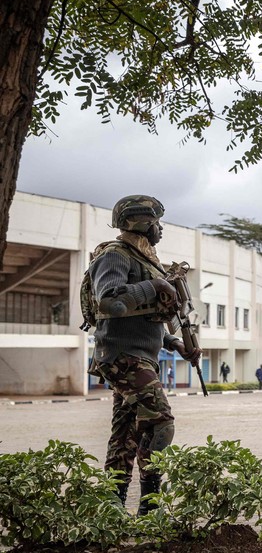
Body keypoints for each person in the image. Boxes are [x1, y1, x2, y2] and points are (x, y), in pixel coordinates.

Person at [87, 195, 200, 514]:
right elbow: (109, 302)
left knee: (124, 436)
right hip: (123, 358)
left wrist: (173, 343)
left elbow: (140, 318)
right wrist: (155, 288)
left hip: (138, 356)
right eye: (156, 223)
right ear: (142, 223)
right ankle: (151, 506)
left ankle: (112, 511)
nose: (160, 229)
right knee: (161, 423)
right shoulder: (115, 255)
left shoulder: (145, 259)